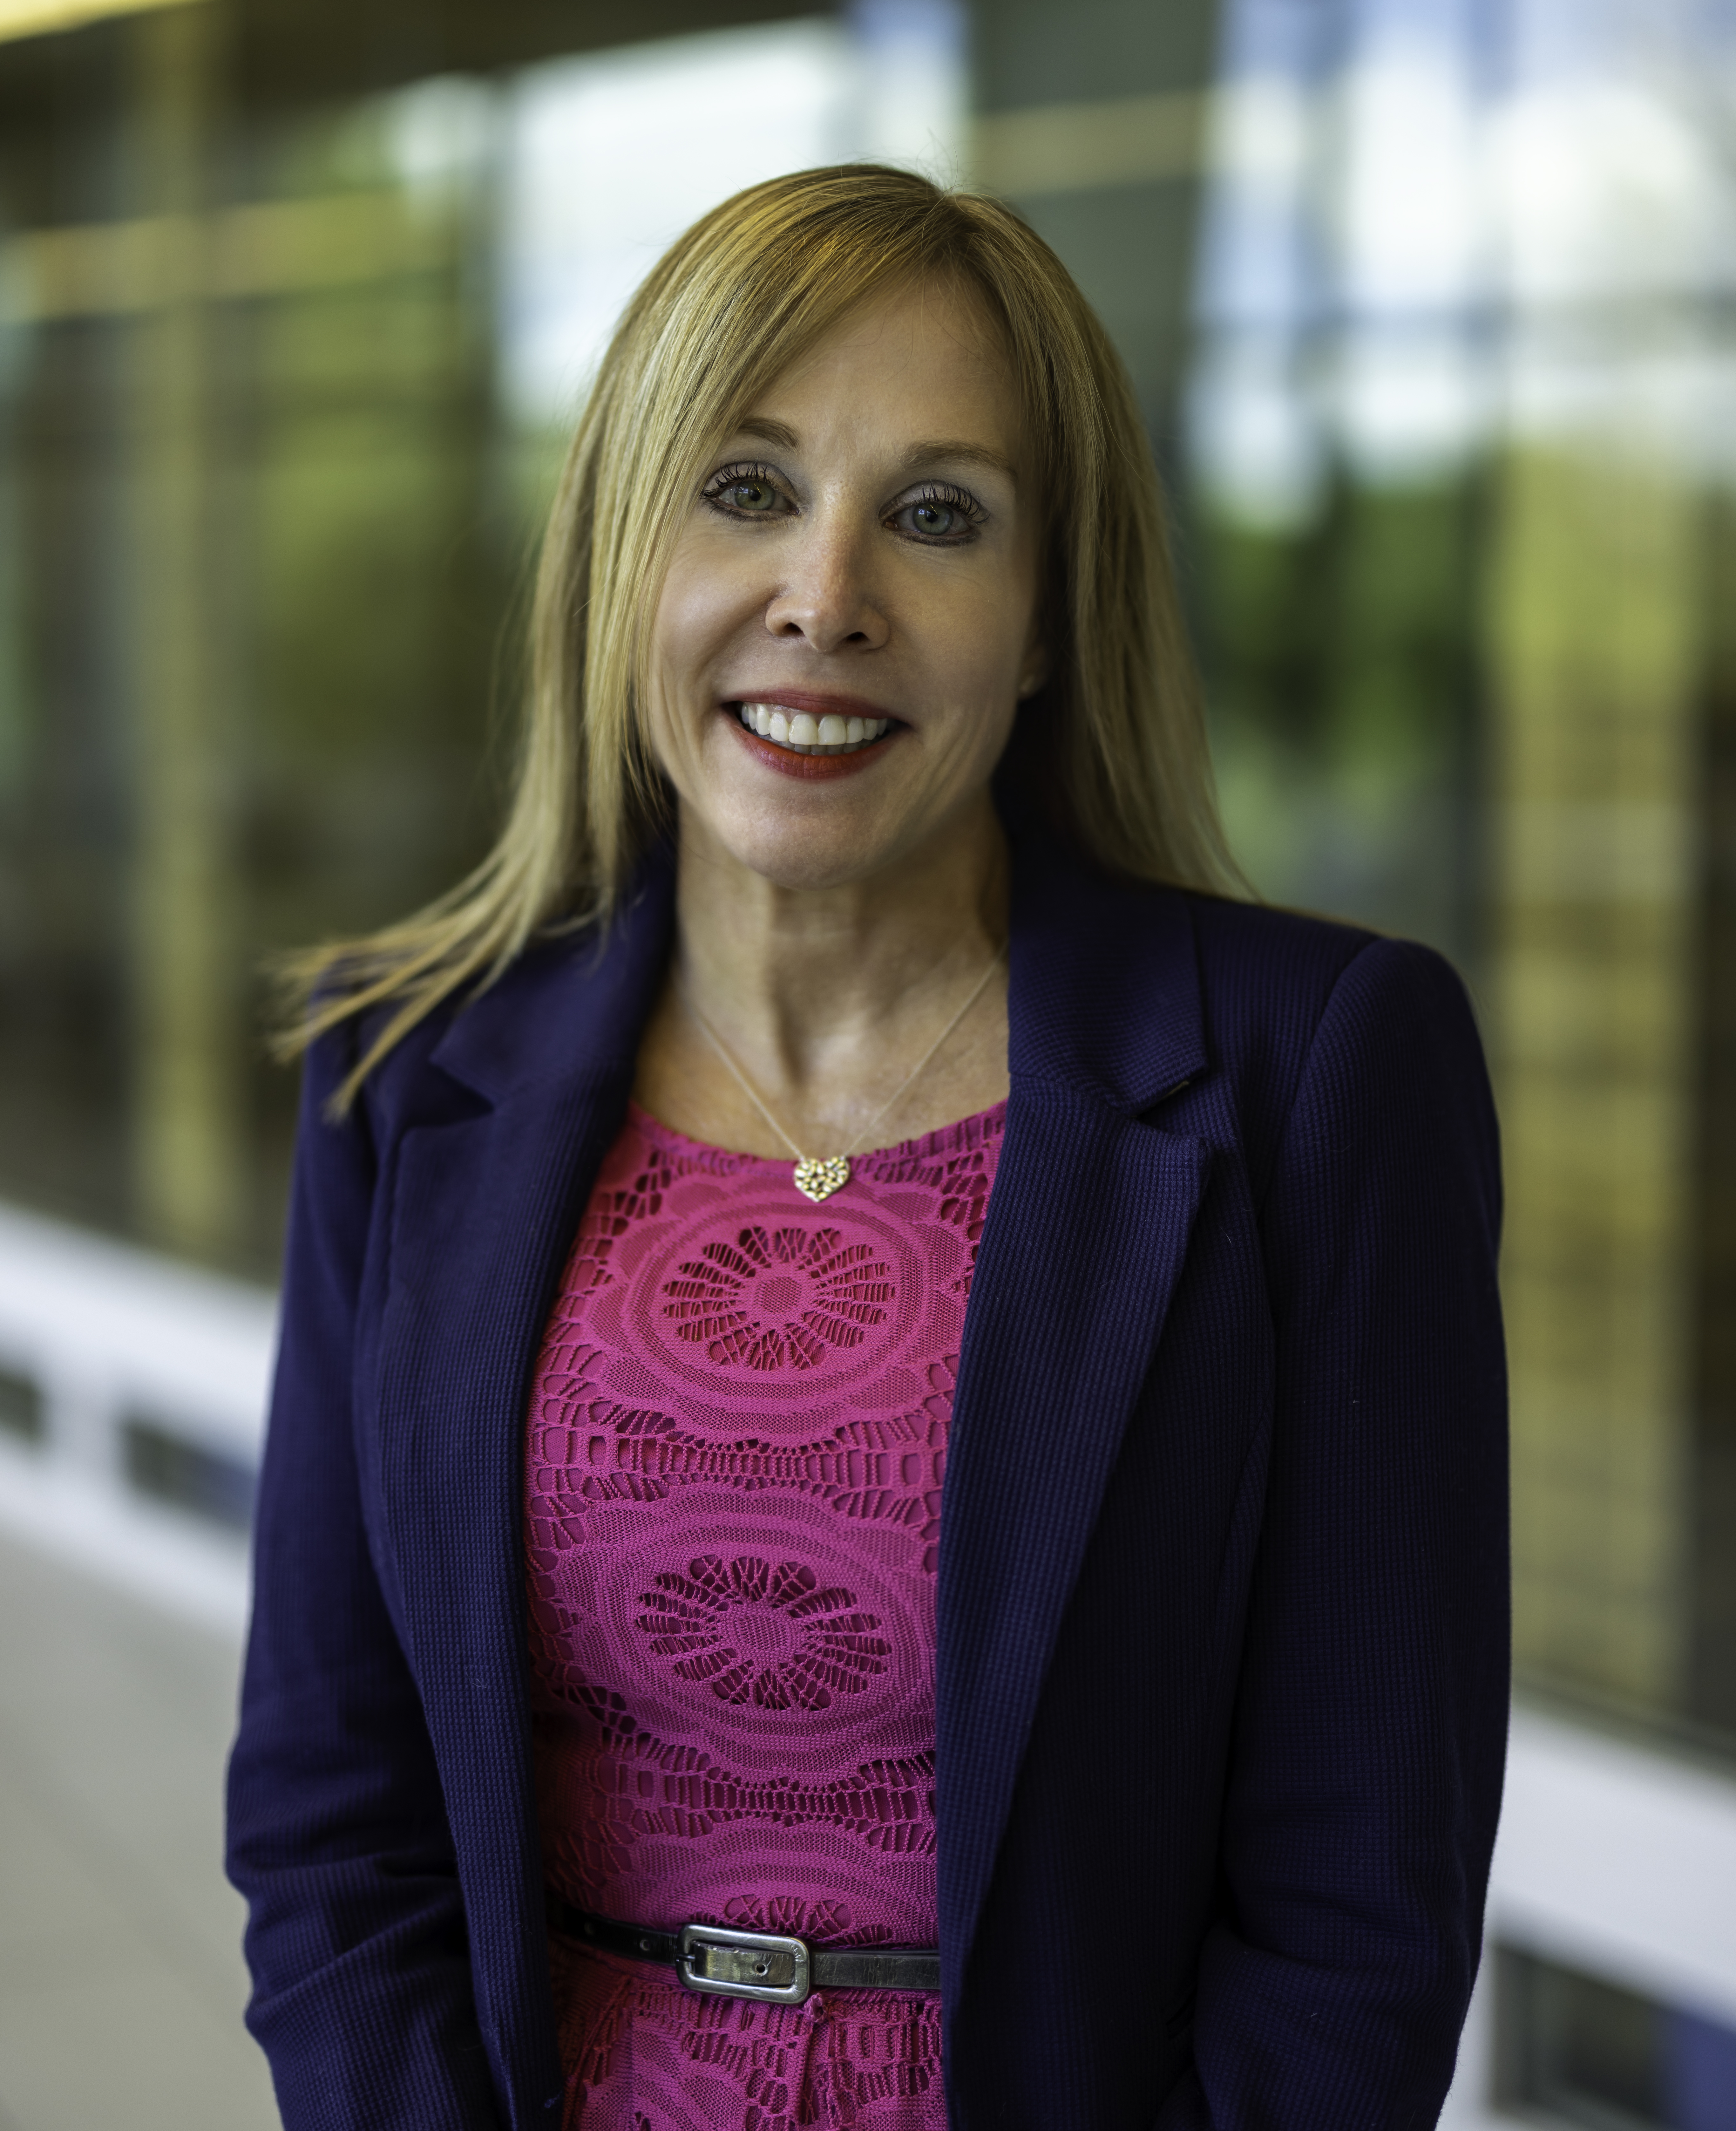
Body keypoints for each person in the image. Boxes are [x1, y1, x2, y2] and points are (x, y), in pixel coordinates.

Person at [226, 165, 1508, 2131]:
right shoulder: (398, 1080)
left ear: (1047, 619)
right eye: (743, 489)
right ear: (617, 557)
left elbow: (1358, 1909)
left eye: (935, 515)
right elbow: (333, 1817)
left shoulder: (1317, 1074)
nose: (826, 596)